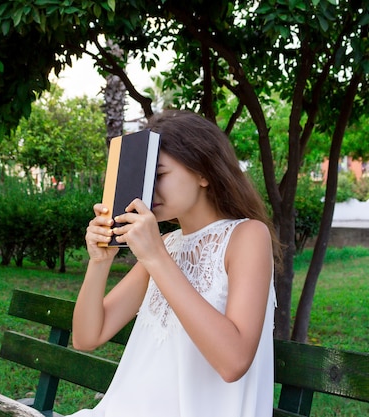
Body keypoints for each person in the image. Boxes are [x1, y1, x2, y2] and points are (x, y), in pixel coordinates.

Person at [68, 110, 279, 417]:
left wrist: (155, 257)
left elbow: (233, 362)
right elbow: (86, 337)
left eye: (161, 175)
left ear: (203, 172)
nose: (149, 190)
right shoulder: (167, 244)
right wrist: (99, 262)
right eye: (145, 178)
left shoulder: (247, 236)